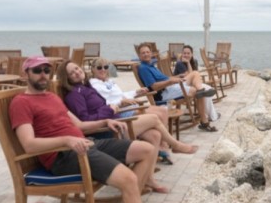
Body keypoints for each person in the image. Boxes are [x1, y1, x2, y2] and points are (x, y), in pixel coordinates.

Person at [9, 56, 155, 203]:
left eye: (46, 70)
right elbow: (29, 145)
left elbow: (79, 125)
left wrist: (105, 121)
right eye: (37, 70)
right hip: (62, 156)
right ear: (25, 74)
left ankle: (130, 196)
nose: (43, 74)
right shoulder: (21, 102)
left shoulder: (52, 97)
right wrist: (66, 140)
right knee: (128, 179)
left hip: (85, 144)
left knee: (146, 150)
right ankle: (130, 191)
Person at [56, 61, 199, 171]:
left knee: (154, 135)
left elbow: (105, 106)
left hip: (115, 121)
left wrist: (113, 107)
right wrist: (110, 110)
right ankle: (175, 145)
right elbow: (85, 120)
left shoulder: (86, 87)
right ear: (66, 78)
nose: (76, 72)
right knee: (154, 118)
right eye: (71, 72)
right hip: (107, 131)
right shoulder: (75, 94)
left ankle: (148, 177)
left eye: (76, 68)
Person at [89, 57, 174, 164]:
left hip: (126, 106)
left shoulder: (110, 82)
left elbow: (121, 95)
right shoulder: (94, 85)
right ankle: (164, 146)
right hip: (118, 112)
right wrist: (121, 102)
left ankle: (160, 148)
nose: (103, 70)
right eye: (99, 67)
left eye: (106, 67)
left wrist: (136, 92)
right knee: (158, 115)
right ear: (93, 69)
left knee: (162, 112)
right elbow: (105, 103)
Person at [137, 43, 218, 132]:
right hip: (163, 93)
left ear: (151, 53)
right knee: (195, 91)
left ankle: (200, 91)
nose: (146, 54)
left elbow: (165, 78)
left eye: (147, 52)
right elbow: (154, 86)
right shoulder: (144, 68)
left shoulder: (151, 66)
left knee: (195, 74)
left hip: (169, 86)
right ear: (139, 55)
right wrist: (171, 81)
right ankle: (204, 122)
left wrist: (177, 76)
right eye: (143, 53)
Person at [173, 45, 221, 122]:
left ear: (192, 54)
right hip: (183, 86)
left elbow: (194, 76)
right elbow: (192, 75)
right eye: (184, 53)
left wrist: (189, 63)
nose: (186, 55)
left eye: (188, 53)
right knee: (205, 90)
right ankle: (212, 115)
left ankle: (212, 115)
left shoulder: (194, 61)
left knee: (207, 91)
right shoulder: (180, 63)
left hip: (192, 84)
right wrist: (188, 63)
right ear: (182, 54)